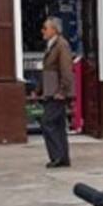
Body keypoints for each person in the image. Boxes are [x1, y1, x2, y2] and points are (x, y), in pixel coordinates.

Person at [38, 16, 74, 168]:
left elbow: (66, 69)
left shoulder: (61, 45)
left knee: (48, 122)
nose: (43, 31)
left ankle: (57, 156)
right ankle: (62, 157)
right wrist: (39, 89)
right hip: (50, 90)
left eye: (45, 28)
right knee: (57, 124)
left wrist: (63, 90)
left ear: (54, 29)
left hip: (57, 92)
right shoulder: (51, 45)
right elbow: (48, 70)